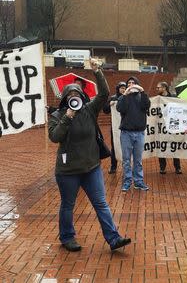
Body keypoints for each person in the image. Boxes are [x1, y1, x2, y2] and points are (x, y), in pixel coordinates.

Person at [48, 60, 131, 252]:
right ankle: (67, 237)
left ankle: (113, 238)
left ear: (83, 96)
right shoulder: (58, 115)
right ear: (65, 98)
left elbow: (103, 94)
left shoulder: (89, 110)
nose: (74, 97)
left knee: (101, 203)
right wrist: (67, 117)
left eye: (77, 94)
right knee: (68, 205)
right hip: (68, 171)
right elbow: (55, 137)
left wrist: (97, 72)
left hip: (91, 167)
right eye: (70, 95)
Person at [116, 76, 150, 192]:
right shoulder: (123, 98)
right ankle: (127, 181)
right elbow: (121, 109)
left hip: (139, 133)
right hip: (126, 133)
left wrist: (143, 92)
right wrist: (125, 94)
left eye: (133, 82)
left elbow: (147, 105)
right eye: (129, 83)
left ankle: (138, 182)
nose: (131, 84)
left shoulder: (141, 97)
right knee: (126, 160)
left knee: (138, 160)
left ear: (137, 84)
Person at [156, 81, 182, 175]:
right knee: (161, 146)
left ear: (164, 88)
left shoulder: (173, 98)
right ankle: (162, 167)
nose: (157, 89)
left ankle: (177, 167)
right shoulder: (157, 99)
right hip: (161, 126)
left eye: (158, 87)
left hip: (172, 126)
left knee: (174, 146)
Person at [103, 81, 127, 174]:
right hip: (115, 127)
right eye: (121, 88)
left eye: (124, 88)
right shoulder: (113, 98)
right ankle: (113, 166)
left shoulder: (128, 97)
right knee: (115, 146)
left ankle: (126, 166)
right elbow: (105, 110)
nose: (123, 90)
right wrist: (110, 104)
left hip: (126, 126)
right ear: (118, 89)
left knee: (126, 147)